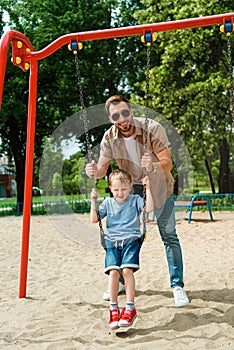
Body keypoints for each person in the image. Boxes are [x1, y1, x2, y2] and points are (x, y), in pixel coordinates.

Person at [86, 95, 190, 308]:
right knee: (126, 234)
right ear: (110, 118)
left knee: (168, 234)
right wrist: (94, 171)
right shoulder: (109, 137)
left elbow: (167, 162)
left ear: (131, 110)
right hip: (131, 189)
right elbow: (103, 169)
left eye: (125, 113)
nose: (122, 119)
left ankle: (177, 286)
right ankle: (122, 281)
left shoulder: (153, 127)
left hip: (160, 186)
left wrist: (152, 165)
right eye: (116, 116)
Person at [90, 169, 154, 329]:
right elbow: (94, 219)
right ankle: (113, 310)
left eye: (124, 189)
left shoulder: (135, 200)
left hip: (131, 240)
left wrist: (148, 189)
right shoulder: (107, 203)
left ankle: (130, 308)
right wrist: (93, 200)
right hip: (112, 242)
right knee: (113, 272)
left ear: (131, 186)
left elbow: (149, 209)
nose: (120, 193)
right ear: (111, 189)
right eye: (116, 190)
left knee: (126, 271)